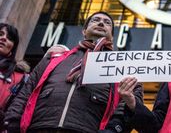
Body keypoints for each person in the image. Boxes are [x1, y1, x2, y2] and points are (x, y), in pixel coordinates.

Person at [4, 11, 142, 133]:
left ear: (112, 36)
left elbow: (130, 104)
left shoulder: (122, 66)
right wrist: (12, 123)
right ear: (84, 31)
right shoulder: (54, 58)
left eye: (107, 23)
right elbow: (25, 93)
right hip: (39, 127)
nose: (101, 23)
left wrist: (113, 130)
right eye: (95, 20)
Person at [0, 23, 30, 131]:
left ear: (13, 47)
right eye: (1, 34)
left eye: (9, 38)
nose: (3, 38)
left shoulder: (21, 78)